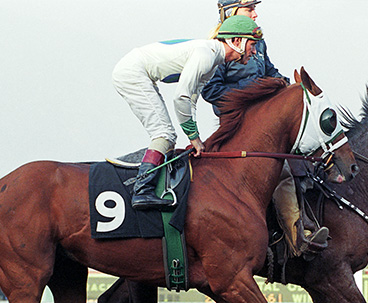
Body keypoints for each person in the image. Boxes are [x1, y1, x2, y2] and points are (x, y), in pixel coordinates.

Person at [203, 0, 329, 257]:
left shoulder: (257, 42)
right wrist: (254, 93)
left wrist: (282, 83)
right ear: (231, 12)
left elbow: (270, 72)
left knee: (293, 163)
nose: (255, 13)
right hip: (238, 128)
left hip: (265, 127)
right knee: (280, 173)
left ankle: (298, 237)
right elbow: (211, 91)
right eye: (249, 9)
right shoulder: (216, 47)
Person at [112, 15, 263, 210]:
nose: (254, 51)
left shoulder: (213, 60)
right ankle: (142, 190)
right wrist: (194, 137)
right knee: (164, 134)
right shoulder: (207, 56)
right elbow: (181, 98)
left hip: (138, 71)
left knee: (169, 136)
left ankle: (156, 186)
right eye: (252, 44)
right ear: (236, 41)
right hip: (132, 72)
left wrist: (195, 138)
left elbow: (191, 101)